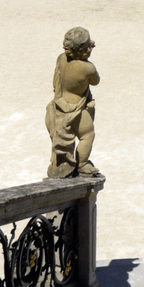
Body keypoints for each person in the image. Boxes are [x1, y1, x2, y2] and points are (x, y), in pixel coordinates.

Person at [46, 27, 100, 178]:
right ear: (84, 50)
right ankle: (82, 164)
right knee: (87, 135)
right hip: (75, 109)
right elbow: (96, 81)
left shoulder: (61, 59)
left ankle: (63, 164)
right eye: (89, 45)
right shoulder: (88, 68)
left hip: (57, 106)